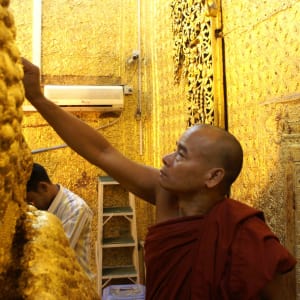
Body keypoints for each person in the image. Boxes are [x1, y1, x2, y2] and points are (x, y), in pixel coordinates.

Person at [22, 58, 296, 299]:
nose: (166, 158)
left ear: (213, 177)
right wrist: (38, 98)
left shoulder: (246, 237)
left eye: (180, 154)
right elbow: (101, 152)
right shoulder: (164, 194)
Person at [26, 162, 94, 280]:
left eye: (31, 201)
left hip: (76, 286)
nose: (31, 206)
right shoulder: (43, 206)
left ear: (43, 187)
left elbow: (58, 256)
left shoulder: (76, 209)